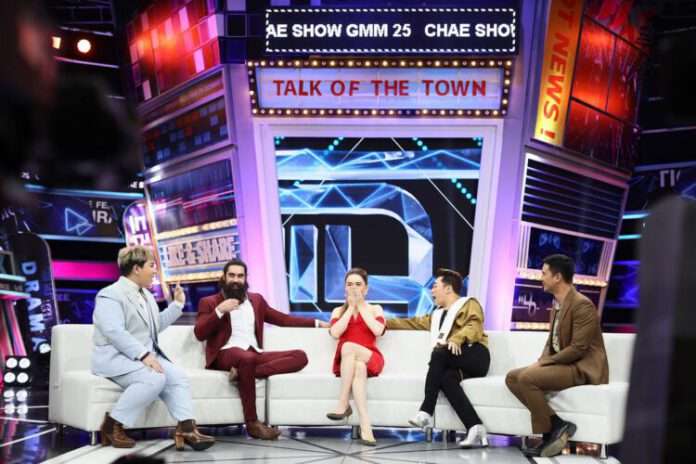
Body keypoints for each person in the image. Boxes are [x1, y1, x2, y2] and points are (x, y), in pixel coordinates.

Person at [92, 246, 214, 451]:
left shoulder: (146, 296)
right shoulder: (110, 294)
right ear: (136, 268)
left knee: (178, 377)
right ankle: (112, 425)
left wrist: (177, 305)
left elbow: (154, 326)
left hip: (139, 358)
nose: (155, 271)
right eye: (151, 265)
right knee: (155, 378)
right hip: (115, 358)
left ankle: (186, 429)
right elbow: (114, 331)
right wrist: (144, 354)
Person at [194, 258, 330, 440]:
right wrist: (219, 311)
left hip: (253, 354)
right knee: (246, 359)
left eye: (240, 276)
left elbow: (283, 319)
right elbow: (199, 333)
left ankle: (243, 373)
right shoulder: (209, 302)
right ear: (224, 277)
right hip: (225, 353)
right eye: (232, 275)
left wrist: (317, 323)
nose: (236, 280)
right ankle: (252, 423)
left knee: (300, 356)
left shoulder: (256, 300)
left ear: (245, 278)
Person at [505, 254, 609, 458]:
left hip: (581, 367)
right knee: (512, 377)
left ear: (558, 277)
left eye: (544, 273)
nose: (541, 278)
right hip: (564, 364)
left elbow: (578, 348)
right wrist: (541, 362)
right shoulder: (557, 304)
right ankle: (557, 425)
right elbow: (551, 342)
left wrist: (545, 363)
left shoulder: (582, 304)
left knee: (527, 378)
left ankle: (548, 434)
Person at [386, 268, 490, 448]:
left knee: (439, 352)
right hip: (455, 360)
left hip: (476, 355)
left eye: (435, 286)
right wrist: (383, 322)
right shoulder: (437, 315)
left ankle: (426, 410)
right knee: (446, 379)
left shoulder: (469, 304)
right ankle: (475, 426)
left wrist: (457, 338)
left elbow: (474, 325)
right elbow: (412, 323)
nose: (431, 291)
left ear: (448, 289)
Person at [326, 268, 385, 446]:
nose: (353, 288)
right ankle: (366, 426)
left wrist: (360, 306)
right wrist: (351, 307)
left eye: (358, 284)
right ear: (345, 288)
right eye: (349, 284)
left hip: (370, 357)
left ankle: (343, 403)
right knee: (358, 366)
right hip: (348, 362)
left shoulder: (375, 309)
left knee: (348, 346)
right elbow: (335, 333)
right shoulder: (338, 311)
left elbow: (378, 330)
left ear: (366, 289)